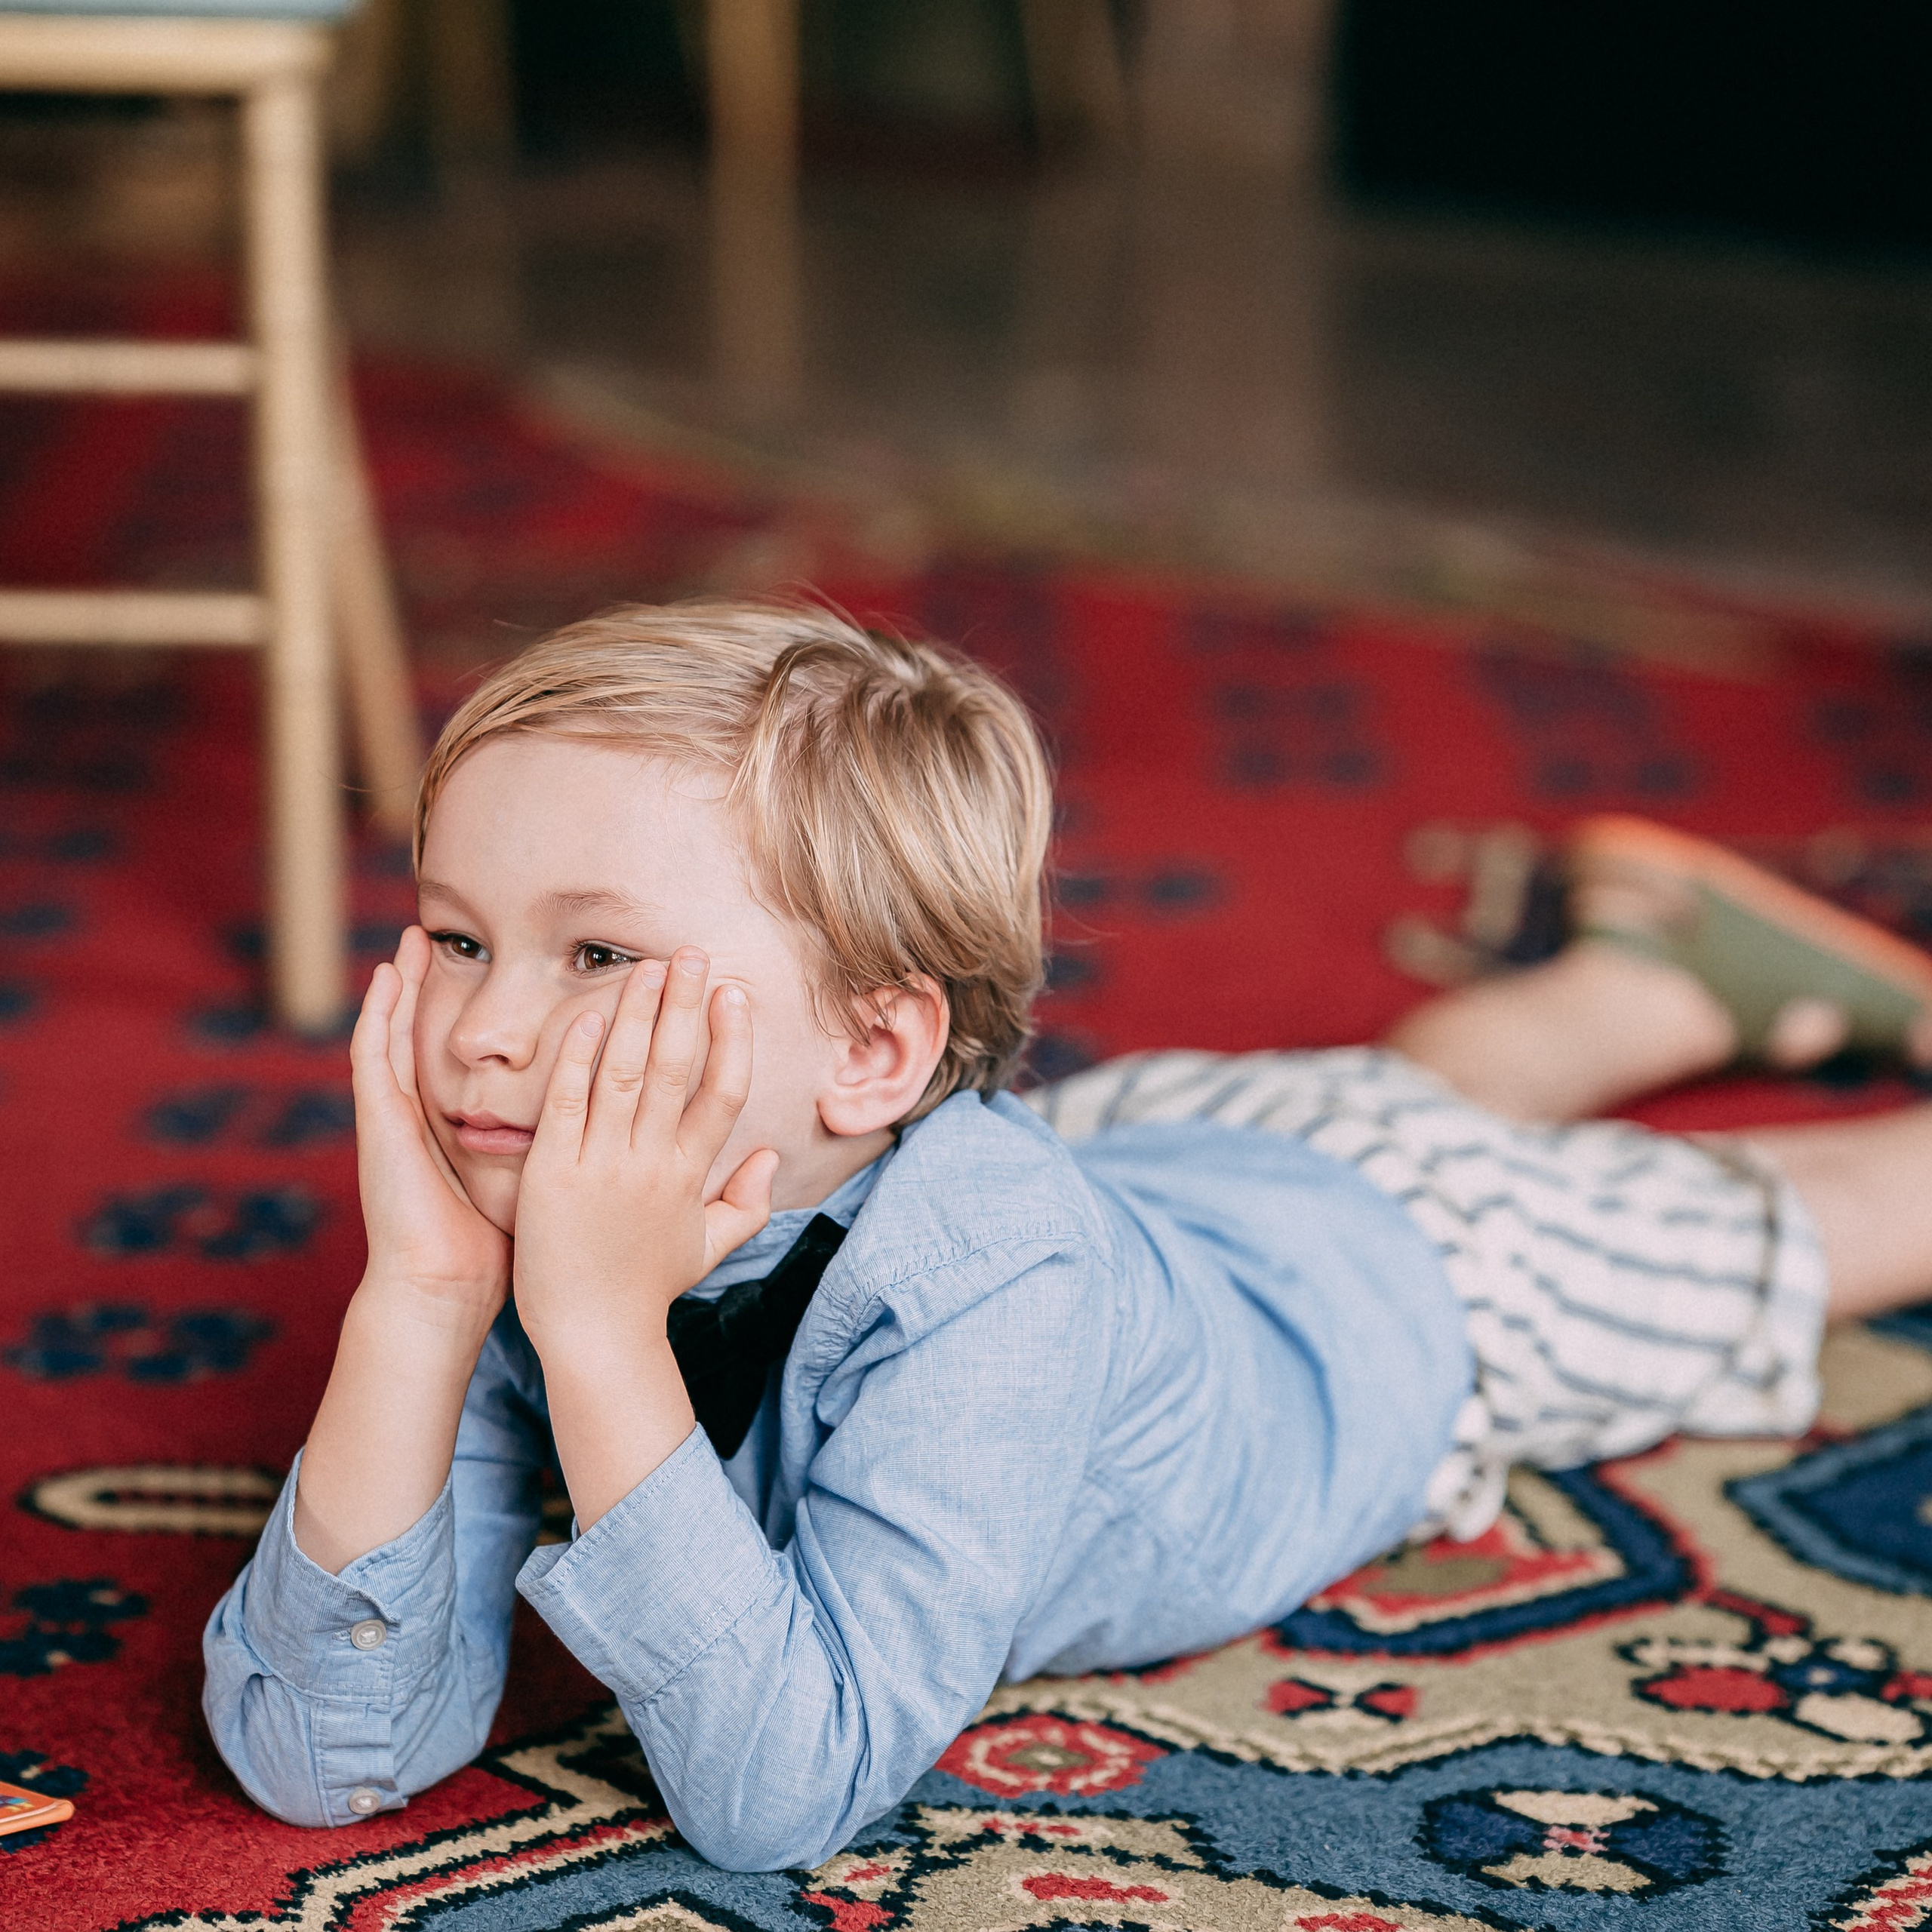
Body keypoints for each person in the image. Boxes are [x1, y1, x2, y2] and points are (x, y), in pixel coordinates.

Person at [202, 598, 1932, 1872]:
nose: (485, 1032)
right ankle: (1641, 979)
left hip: (1412, 1284)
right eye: (451, 936)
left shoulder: (991, 1275)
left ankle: (1642, 994)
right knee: (1394, 1093)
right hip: (1174, 1147)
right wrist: (421, 1299)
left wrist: (591, 1332)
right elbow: (317, 1752)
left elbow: (778, 1789)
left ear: (874, 1047)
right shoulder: (549, 1201)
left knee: (1817, 1221)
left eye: (593, 956)